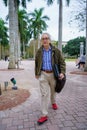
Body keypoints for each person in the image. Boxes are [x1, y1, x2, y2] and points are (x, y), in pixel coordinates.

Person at [35, 33, 66, 125]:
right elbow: (36, 63)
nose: (45, 40)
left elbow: (62, 62)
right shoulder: (39, 51)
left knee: (53, 91)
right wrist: (36, 73)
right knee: (44, 94)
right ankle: (44, 115)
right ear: (41, 41)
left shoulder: (56, 51)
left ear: (49, 40)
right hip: (43, 74)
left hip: (53, 74)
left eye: (46, 38)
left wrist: (62, 72)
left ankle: (53, 102)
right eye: (43, 38)